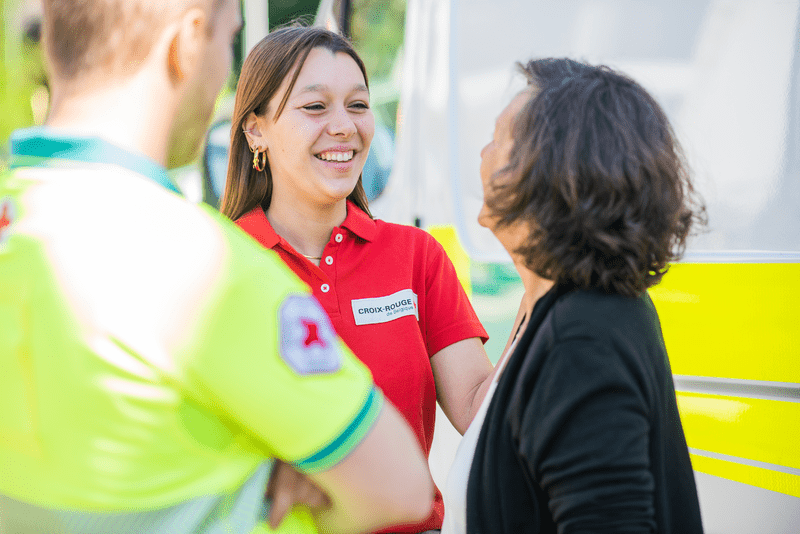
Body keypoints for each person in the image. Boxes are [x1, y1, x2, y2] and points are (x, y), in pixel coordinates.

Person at [0, 1, 434, 533]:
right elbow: (401, 491)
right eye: (229, 41)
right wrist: (273, 483)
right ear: (188, 42)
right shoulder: (204, 268)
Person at [221, 25, 494, 534]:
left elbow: (481, 410)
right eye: (315, 107)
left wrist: (544, 282)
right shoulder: (220, 264)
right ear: (256, 131)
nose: (344, 126)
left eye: (358, 105)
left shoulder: (416, 256)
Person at [441, 58, 706, 533]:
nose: (483, 152)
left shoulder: (581, 340)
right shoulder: (565, 308)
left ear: (547, 173)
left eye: (499, 138)